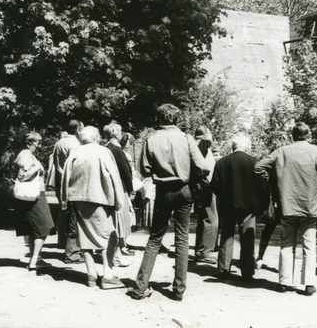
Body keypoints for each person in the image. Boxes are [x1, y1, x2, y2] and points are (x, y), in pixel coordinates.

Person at [127, 104, 210, 301]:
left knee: (155, 238)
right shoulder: (186, 138)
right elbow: (203, 167)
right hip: (185, 190)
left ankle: (140, 286)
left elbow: (144, 169)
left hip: (163, 192)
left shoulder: (151, 140)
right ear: (176, 119)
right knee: (182, 239)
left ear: (159, 119)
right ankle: (179, 289)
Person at [254, 122, 317, 295]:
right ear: (308, 135)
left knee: (286, 244)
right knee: (309, 246)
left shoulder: (282, 151)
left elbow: (258, 167)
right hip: (310, 206)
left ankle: (283, 283)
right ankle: (308, 284)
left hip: (288, 206)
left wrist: (274, 182)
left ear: (292, 135)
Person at [60, 126, 127, 289]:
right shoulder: (103, 152)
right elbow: (114, 177)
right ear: (96, 137)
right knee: (107, 236)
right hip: (101, 198)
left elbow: (65, 177)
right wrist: (119, 201)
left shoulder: (75, 152)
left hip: (79, 199)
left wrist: (64, 201)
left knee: (85, 237)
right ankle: (108, 275)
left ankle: (91, 275)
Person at [210, 134, 268, 280]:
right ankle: (247, 272)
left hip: (228, 205)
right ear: (247, 146)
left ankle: (223, 270)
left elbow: (214, 185)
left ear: (232, 146)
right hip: (249, 206)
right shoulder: (254, 162)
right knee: (248, 237)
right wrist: (262, 205)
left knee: (226, 236)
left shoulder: (222, 163)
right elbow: (263, 187)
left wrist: (223, 197)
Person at [12, 132, 56, 271]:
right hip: (34, 196)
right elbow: (22, 175)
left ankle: (35, 258)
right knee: (44, 227)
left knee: (34, 229)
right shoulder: (25, 156)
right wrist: (37, 167)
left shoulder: (27, 155)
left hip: (34, 195)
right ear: (29, 143)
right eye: (38, 142)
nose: (40, 145)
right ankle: (35, 259)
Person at [52, 120, 84, 264]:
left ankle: (64, 245)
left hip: (60, 181)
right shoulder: (75, 144)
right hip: (71, 182)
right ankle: (72, 253)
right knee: (73, 217)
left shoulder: (59, 142)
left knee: (64, 213)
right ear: (77, 129)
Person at [103, 123, 134, 266]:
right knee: (119, 222)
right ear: (115, 133)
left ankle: (116, 252)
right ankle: (117, 254)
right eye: (120, 131)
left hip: (107, 190)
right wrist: (130, 189)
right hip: (120, 189)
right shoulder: (116, 150)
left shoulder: (104, 149)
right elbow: (126, 173)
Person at [192, 126, 218, 264]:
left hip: (203, 185)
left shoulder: (196, 146)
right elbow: (207, 139)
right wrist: (206, 136)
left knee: (204, 219)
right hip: (207, 185)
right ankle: (206, 252)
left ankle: (200, 250)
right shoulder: (202, 144)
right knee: (212, 219)